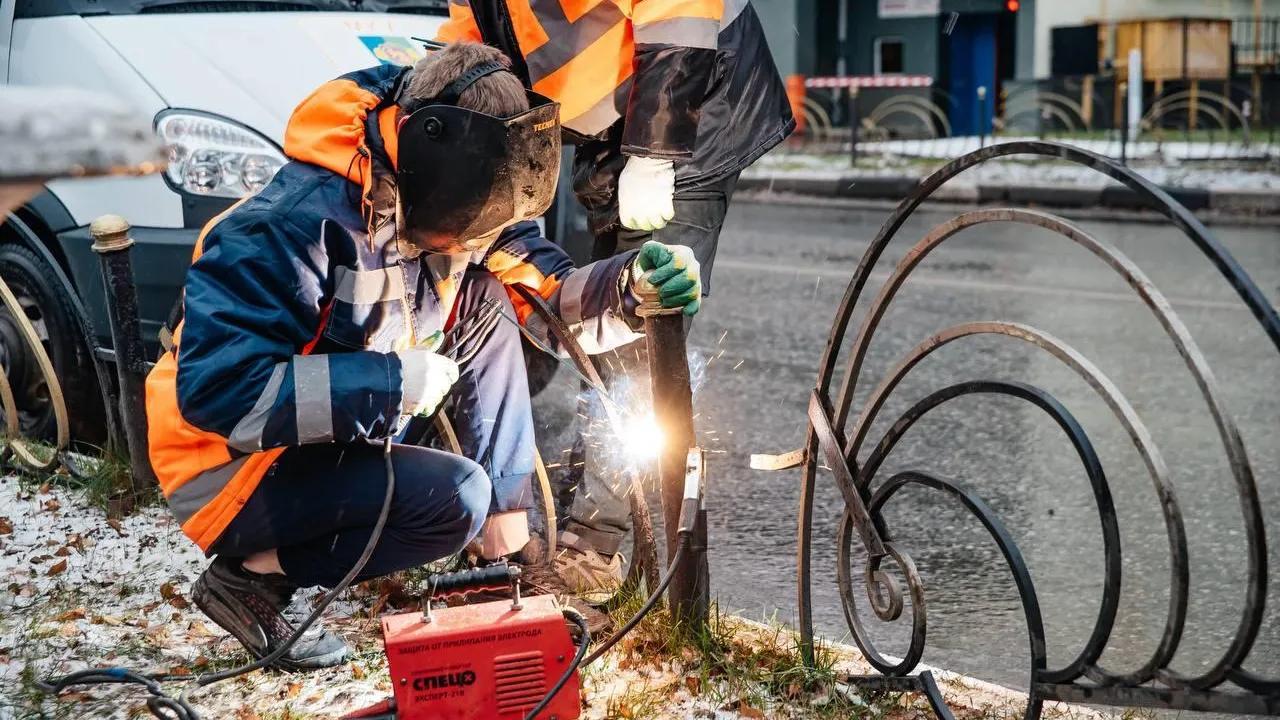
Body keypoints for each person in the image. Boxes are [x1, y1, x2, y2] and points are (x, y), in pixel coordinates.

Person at [144, 42, 707, 670]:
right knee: (454, 499)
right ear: (423, 152)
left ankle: (506, 561)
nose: (475, 244)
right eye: (468, 232)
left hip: (327, 434)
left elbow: (546, 301)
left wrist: (630, 289)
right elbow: (220, 395)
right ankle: (252, 579)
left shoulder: (461, 181)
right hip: (227, 468)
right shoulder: (290, 224)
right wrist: (387, 385)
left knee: (488, 299)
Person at [436, 0, 794, 599]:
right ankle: (581, 527)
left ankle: (593, 549)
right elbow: (475, 41)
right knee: (603, 320)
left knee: (638, 327)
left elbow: (679, 11)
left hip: (693, 107)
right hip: (620, 123)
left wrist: (656, 149)